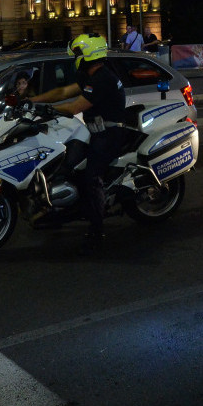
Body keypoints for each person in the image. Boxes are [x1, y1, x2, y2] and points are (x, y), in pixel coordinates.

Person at [29, 35, 127, 250]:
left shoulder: (102, 78)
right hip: (94, 131)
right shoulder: (89, 75)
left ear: (87, 55)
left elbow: (75, 107)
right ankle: (58, 210)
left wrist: (50, 109)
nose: (74, 57)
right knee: (67, 164)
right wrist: (31, 101)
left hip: (109, 135)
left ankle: (96, 229)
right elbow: (62, 92)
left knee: (91, 176)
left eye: (77, 54)